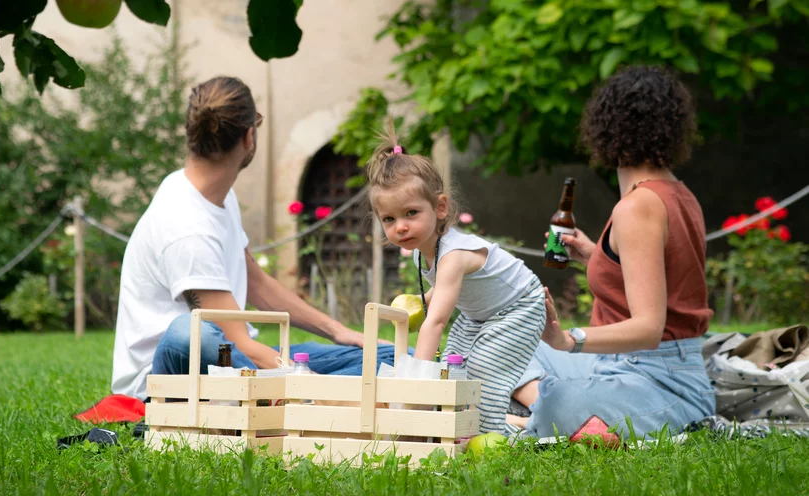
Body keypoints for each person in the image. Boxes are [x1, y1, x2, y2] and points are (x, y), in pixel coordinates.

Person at [112, 76, 398, 401]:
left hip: (235, 357)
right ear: (250, 136)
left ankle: (321, 393)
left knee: (389, 360)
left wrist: (341, 333)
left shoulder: (217, 196)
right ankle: (320, 397)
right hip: (169, 376)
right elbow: (236, 342)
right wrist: (306, 382)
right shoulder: (185, 226)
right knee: (190, 334)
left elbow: (257, 283)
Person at [507, 66, 715, 438]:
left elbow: (649, 329)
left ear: (606, 127)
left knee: (560, 400)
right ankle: (559, 410)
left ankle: (541, 413)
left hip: (661, 381)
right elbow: (659, 276)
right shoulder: (679, 193)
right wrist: (594, 256)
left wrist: (568, 340)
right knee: (507, 343)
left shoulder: (637, 207)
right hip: (620, 367)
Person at [366, 122, 546, 437]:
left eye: (411, 213)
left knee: (484, 370)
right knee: (454, 364)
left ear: (440, 207)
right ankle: (459, 424)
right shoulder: (424, 251)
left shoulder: (453, 253)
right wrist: (424, 300)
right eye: (389, 219)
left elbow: (435, 324)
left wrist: (416, 386)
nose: (401, 227)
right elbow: (444, 288)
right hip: (481, 314)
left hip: (521, 306)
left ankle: (490, 436)